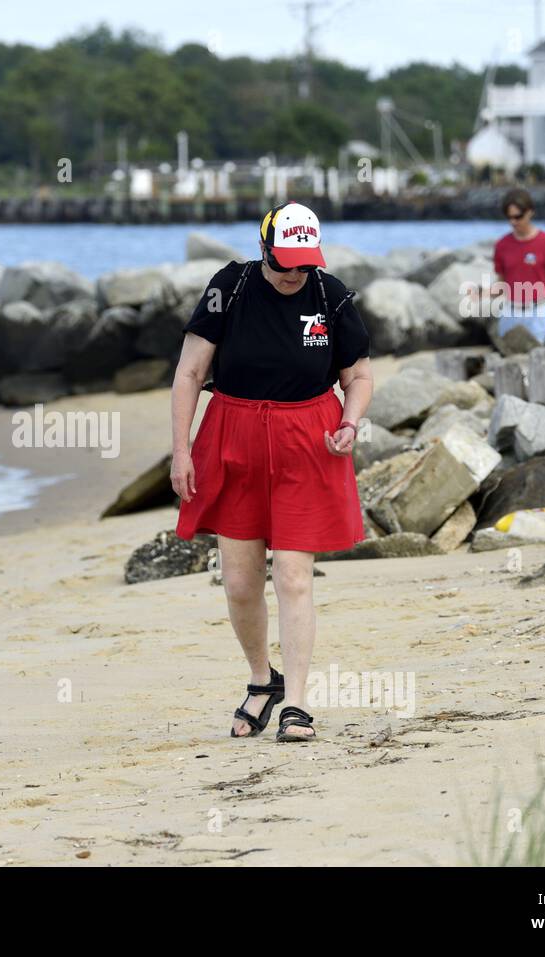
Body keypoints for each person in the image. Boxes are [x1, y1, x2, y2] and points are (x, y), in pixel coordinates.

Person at [170, 201, 373, 742]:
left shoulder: (330, 295)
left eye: (304, 264)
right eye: (285, 264)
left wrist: (350, 424)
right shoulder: (229, 287)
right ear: (264, 250)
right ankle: (264, 681)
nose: (295, 275)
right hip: (232, 434)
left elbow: (358, 376)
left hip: (308, 440)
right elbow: (190, 372)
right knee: (239, 583)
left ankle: (298, 705)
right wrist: (181, 450)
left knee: (292, 576)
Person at [489, 188, 545, 343]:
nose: (513, 222)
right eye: (509, 217)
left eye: (518, 217)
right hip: (510, 312)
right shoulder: (502, 245)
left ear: (530, 212)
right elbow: (501, 283)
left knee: (538, 360)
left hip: (538, 313)